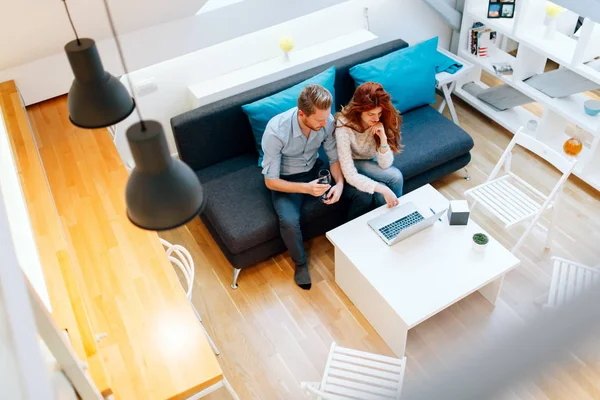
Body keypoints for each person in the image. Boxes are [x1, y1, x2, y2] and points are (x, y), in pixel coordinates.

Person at [261, 84, 373, 290]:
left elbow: (333, 158)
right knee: (289, 220)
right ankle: (300, 264)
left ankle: (346, 242)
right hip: (286, 180)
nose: (325, 123)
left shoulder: (327, 122)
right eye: (319, 120)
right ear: (302, 114)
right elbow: (270, 181)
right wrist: (306, 188)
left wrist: (339, 184)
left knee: (363, 195)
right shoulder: (276, 131)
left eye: (326, 117)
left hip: (315, 170)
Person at [334, 82, 404, 208]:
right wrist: (384, 190)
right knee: (394, 178)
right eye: (371, 114)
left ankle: (392, 220)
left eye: (379, 113)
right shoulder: (344, 126)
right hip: (353, 162)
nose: (376, 118)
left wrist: (382, 138)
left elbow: (385, 164)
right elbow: (350, 174)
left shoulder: (381, 121)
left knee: (382, 193)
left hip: (372, 160)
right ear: (359, 111)